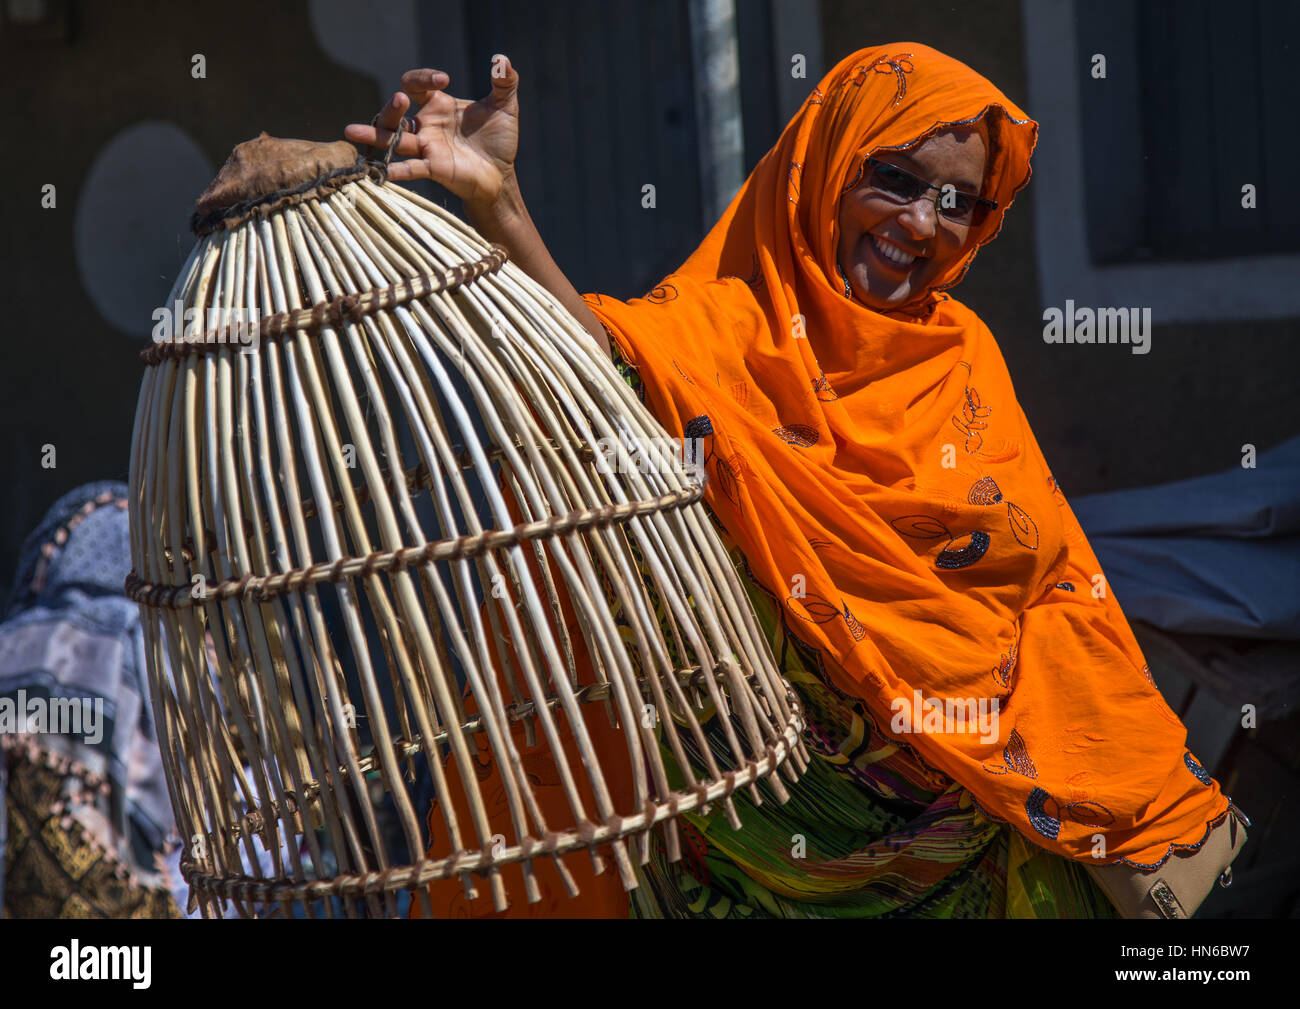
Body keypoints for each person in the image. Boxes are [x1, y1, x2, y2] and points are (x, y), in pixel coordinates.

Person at [345, 43, 1244, 918]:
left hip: (987, 835)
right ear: (823, 168)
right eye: (893, 178)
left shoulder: (962, 357)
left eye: (958, 202)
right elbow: (598, 383)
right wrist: (500, 202)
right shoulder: (714, 338)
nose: (923, 224)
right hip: (761, 850)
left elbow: (1050, 588)